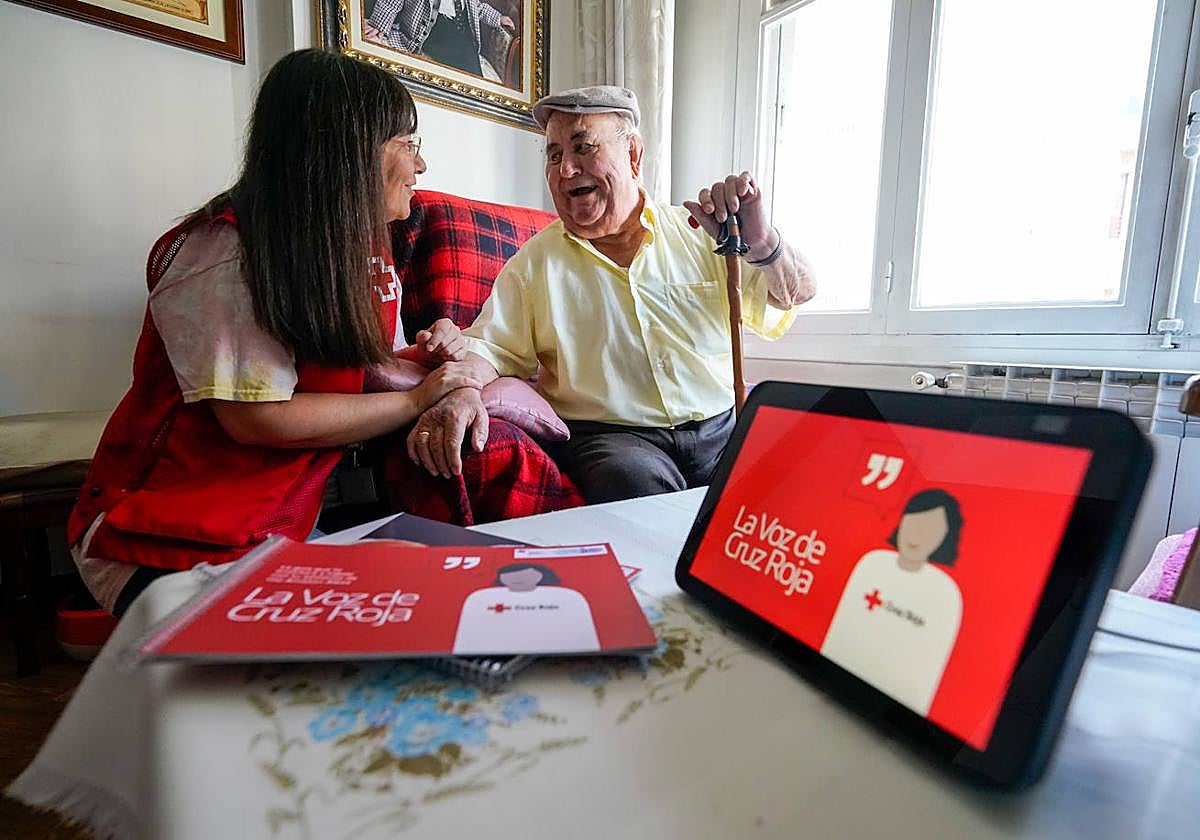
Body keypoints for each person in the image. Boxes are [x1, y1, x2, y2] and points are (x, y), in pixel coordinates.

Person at [66, 49, 486, 617]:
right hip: (171, 534)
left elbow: (361, 368)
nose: (421, 166)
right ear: (349, 152)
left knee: (440, 596)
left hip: (280, 516)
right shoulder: (226, 255)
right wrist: (418, 397)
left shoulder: (357, 255)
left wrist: (435, 356)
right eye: (408, 144)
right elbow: (257, 417)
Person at [406, 85, 817, 503]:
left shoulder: (702, 235)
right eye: (553, 155)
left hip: (721, 426)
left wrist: (762, 245)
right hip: (614, 440)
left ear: (634, 155)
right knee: (633, 487)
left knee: (799, 480)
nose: (565, 169)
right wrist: (460, 391)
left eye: (583, 147)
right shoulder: (534, 264)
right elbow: (490, 348)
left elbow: (794, 293)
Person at [819, 489, 965, 716]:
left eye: (930, 529)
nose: (917, 535)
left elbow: (928, 673)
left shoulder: (946, 594)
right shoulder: (871, 563)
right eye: (914, 521)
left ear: (945, 537)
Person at [452, 563, 600, 654]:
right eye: (509, 576)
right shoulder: (480, 597)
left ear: (541, 576)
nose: (516, 579)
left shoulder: (569, 596)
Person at [364, 0, 516, 78]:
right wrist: (379, 24)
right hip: (431, 30)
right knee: (460, 55)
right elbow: (391, 2)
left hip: (461, 29)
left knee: (468, 54)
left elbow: (477, 7)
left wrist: (498, 18)